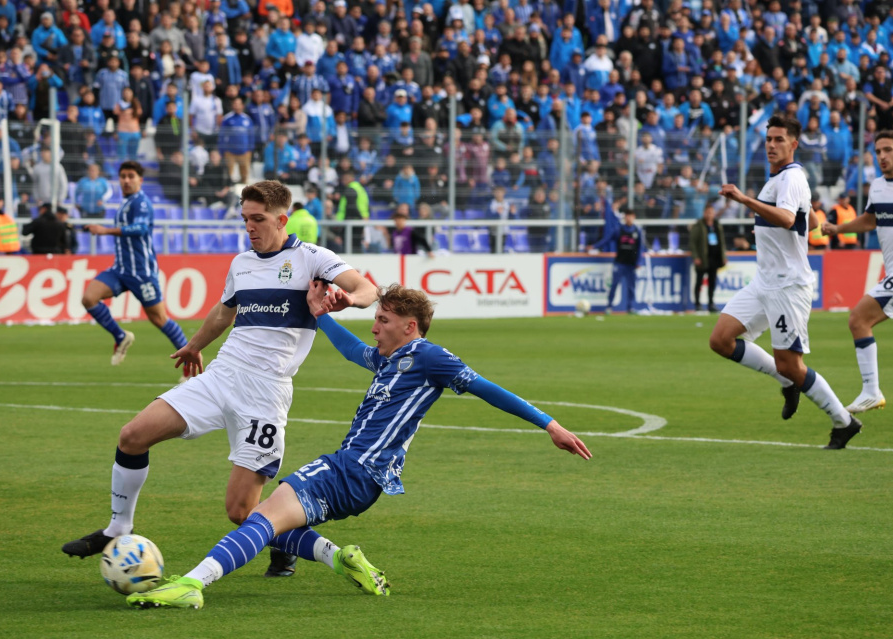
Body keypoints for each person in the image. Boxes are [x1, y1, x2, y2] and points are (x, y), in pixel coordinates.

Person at [126, 282, 591, 608]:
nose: (375, 327)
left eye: (383, 320)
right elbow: (352, 351)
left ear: (410, 326)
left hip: (356, 469)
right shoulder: (392, 358)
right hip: (355, 472)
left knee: (261, 516)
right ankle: (340, 557)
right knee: (260, 517)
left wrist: (548, 424)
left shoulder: (430, 356)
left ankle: (192, 583)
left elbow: (488, 388)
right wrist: (321, 316)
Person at [62, 181, 378, 578]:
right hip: (222, 377)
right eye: (245, 218)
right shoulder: (241, 262)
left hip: (266, 394)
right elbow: (223, 312)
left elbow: (368, 288)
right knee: (132, 435)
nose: (249, 226)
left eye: (258, 219)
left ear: (282, 219)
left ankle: (327, 553)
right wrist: (194, 345)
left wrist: (350, 300)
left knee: (243, 512)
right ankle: (118, 528)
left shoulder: (311, 258)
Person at [712, 115, 861, 450]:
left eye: (779, 139)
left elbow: (787, 217)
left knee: (792, 364)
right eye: (768, 139)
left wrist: (744, 200)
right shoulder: (775, 180)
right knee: (721, 340)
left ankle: (844, 421)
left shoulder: (791, 178)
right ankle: (785, 380)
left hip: (787, 286)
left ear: (794, 144)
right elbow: (780, 224)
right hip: (763, 282)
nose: (771, 145)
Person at [821, 130, 893, 414]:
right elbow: (870, 220)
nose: (882, 156)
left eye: (888, 150)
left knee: (857, 319)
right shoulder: (877, 186)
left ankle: (871, 391)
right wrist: (839, 228)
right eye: (878, 151)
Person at [79, 161, 189, 371]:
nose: (126, 180)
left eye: (131, 176)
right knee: (89, 298)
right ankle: (121, 336)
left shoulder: (142, 202)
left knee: (159, 319)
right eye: (123, 176)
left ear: (140, 180)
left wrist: (105, 231)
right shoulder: (126, 203)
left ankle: (189, 359)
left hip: (141, 273)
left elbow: (139, 228)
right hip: (120, 270)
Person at [595, 206, 643, 315]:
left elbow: (640, 248)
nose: (629, 218)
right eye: (627, 216)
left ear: (634, 217)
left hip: (631, 264)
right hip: (620, 262)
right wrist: (594, 246)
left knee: (631, 287)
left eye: (631, 216)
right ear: (625, 217)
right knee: (614, 285)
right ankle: (609, 307)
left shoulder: (637, 231)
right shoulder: (619, 230)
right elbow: (606, 240)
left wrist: (639, 262)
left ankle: (630, 307)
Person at [689, 202, 726, 313]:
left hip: (714, 258)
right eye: (708, 212)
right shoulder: (699, 225)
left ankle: (711, 303)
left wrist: (723, 256)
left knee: (712, 282)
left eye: (711, 212)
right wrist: (695, 256)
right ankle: (697, 304)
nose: (709, 214)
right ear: (704, 213)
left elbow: (722, 242)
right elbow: (693, 242)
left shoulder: (717, 225)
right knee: (699, 282)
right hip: (702, 258)